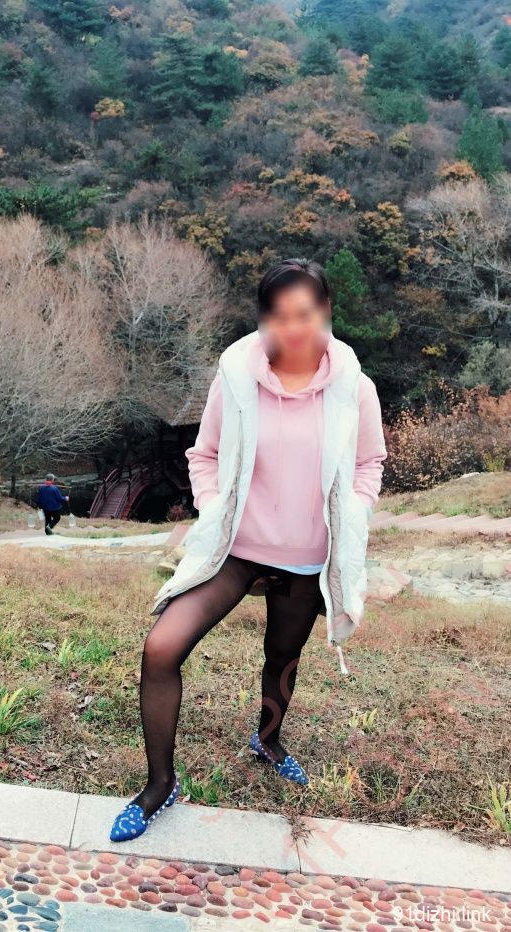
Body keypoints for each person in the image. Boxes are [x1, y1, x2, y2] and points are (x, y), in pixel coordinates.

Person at [109, 258, 387, 843]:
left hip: (306, 558)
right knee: (161, 648)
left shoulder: (354, 389)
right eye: (279, 315)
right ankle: (160, 785)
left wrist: (356, 512)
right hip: (235, 550)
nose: (293, 327)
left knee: (282, 656)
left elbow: (369, 463)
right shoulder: (237, 379)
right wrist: (214, 510)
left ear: (325, 313)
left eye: (305, 313)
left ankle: (267, 740)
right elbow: (203, 455)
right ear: (262, 317)